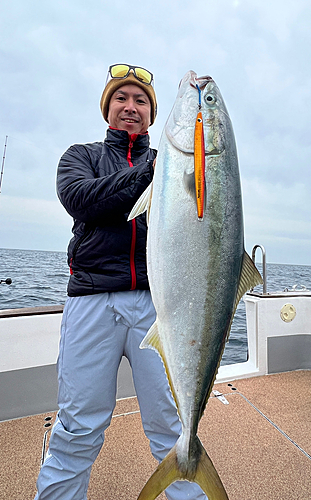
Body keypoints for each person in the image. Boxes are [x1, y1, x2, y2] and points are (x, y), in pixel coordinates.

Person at [34, 64, 207, 500]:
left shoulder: (174, 164)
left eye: (141, 101)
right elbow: (82, 200)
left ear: (153, 114)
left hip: (158, 304)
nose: (131, 107)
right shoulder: (81, 156)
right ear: (107, 108)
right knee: (78, 426)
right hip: (93, 302)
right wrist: (157, 170)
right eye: (121, 98)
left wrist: (176, 163)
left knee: (171, 425)